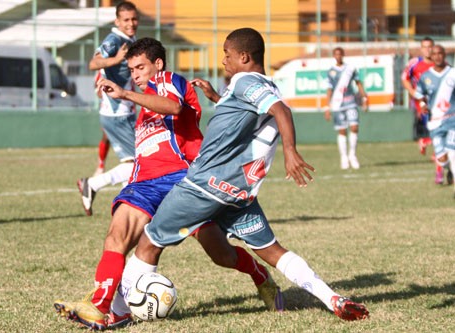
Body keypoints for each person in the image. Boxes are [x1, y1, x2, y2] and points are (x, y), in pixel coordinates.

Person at [118, 28, 369, 323]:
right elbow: (248, 117)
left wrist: (290, 151)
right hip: (239, 195)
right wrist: (216, 97)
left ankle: (118, 312)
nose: (223, 60)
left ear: (244, 57)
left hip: (204, 185)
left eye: (227, 54)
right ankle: (332, 298)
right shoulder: (263, 84)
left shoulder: (244, 80)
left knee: (149, 241)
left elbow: (281, 111)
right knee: (270, 251)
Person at [54, 37, 285, 331]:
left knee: (221, 254)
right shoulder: (143, 105)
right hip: (145, 183)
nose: (135, 74)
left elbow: (174, 108)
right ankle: (103, 307)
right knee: (117, 237)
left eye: (140, 67)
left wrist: (125, 93)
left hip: (183, 179)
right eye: (131, 69)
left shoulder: (168, 80)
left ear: (158, 64)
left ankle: (260, 275)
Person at [77, 1, 139, 216]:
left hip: (124, 109)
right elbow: (94, 63)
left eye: (134, 19)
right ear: (117, 21)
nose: (131, 23)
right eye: (126, 20)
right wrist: (117, 58)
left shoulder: (130, 39)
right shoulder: (114, 40)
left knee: (134, 162)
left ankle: (124, 205)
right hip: (117, 112)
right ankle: (93, 184)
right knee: (139, 162)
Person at [401, 37, 452, 185]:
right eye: (425, 47)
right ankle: (440, 170)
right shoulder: (415, 63)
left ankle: (439, 166)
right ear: (421, 49)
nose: (428, 50)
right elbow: (405, 78)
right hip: (424, 107)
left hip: (445, 109)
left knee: (445, 138)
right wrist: (414, 94)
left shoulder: (444, 65)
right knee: (439, 136)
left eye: (430, 47)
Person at [414, 44, 455, 197]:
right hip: (435, 122)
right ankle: (448, 170)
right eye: (435, 54)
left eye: (440, 53)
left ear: (445, 55)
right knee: (442, 159)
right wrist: (423, 105)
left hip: (452, 119)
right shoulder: (426, 76)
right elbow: (420, 95)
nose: (438, 56)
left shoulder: (452, 73)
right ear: (431, 56)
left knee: (452, 152)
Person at [324, 47, 368, 170]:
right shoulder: (331, 72)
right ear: (334, 56)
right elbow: (329, 89)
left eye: (340, 54)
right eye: (336, 54)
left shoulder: (350, 69)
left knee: (354, 127)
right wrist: (327, 107)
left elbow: (359, 83)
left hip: (351, 102)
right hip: (338, 104)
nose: (338, 56)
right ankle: (343, 157)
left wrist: (364, 98)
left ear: (343, 55)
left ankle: (352, 155)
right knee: (342, 130)